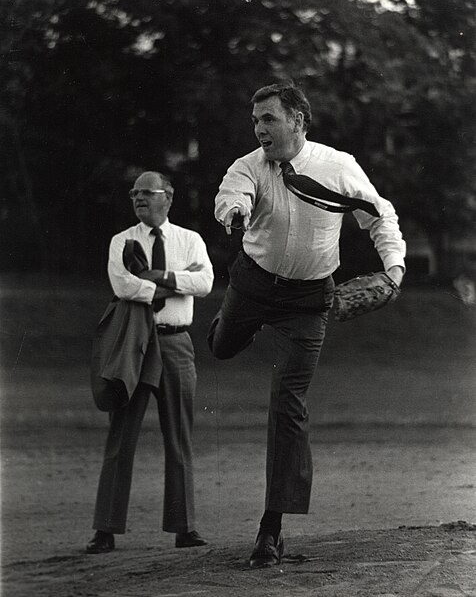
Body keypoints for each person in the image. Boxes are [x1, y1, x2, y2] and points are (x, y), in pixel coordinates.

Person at [208, 82, 406, 569]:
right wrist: (233, 211)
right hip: (252, 286)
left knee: (288, 404)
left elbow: (381, 216)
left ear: (297, 120)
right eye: (255, 120)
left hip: (307, 299)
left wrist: (395, 269)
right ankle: (237, 327)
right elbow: (231, 196)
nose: (259, 129)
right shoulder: (249, 166)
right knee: (220, 347)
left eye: (268, 119)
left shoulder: (338, 166)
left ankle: (270, 528)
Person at [86, 171, 214, 553]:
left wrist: (158, 276)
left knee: (179, 436)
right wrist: (175, 282)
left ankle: (184, 528)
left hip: (176, 343)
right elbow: (122, 286)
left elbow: (205, 283)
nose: (139, 198)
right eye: (134, 193)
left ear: (168, 198)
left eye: (147, 192)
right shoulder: (121, 240)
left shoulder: (189, 240)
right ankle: (105, 529)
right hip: (135, 343)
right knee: (121, 435)